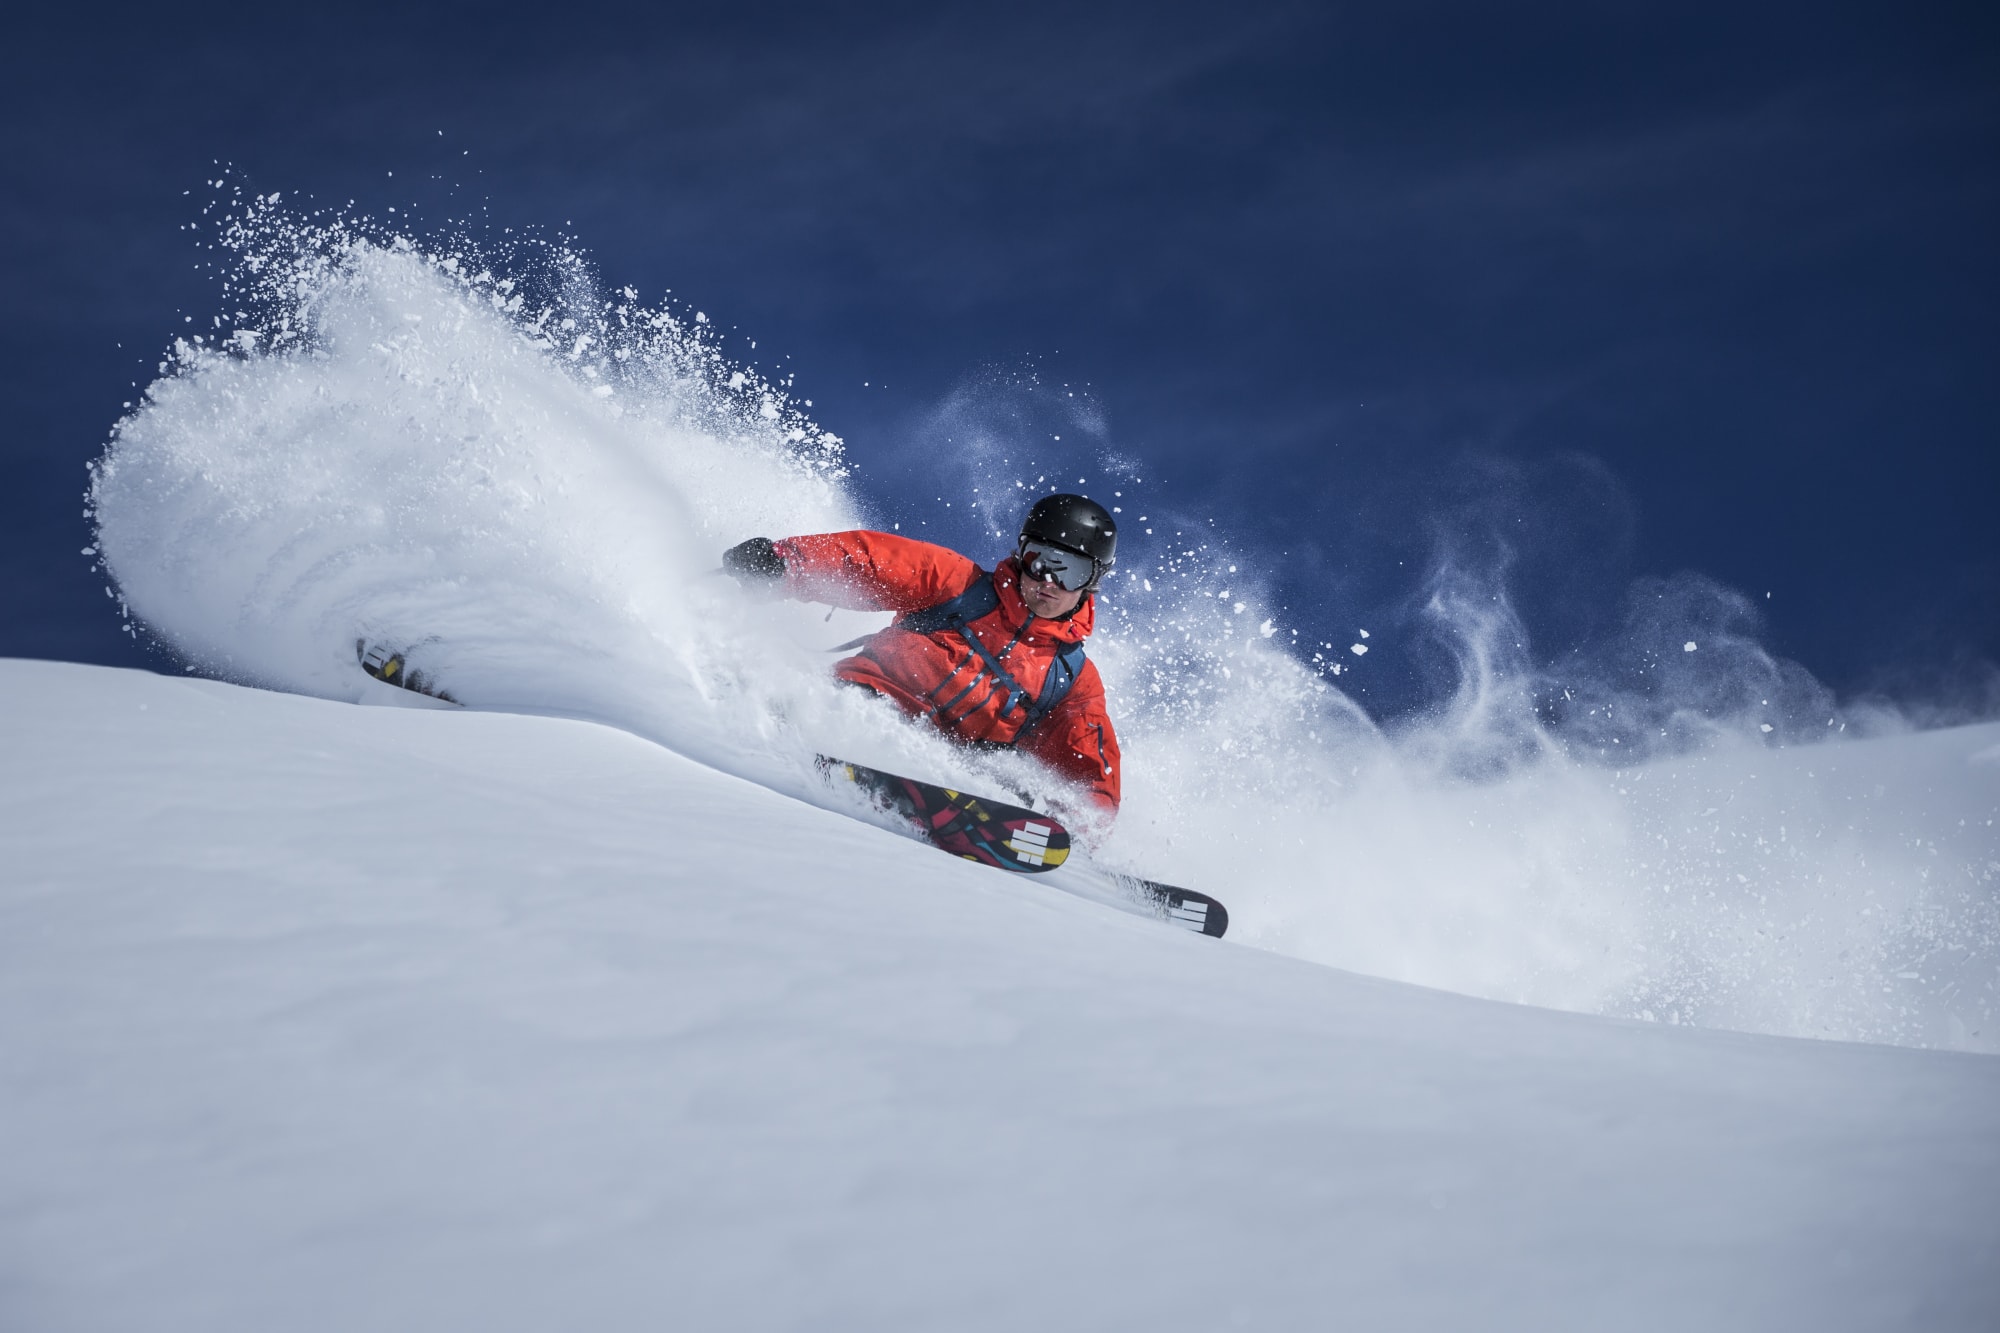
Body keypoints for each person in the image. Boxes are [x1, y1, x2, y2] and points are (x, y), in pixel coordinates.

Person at [723, 494, 1123, 819]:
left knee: (1014, 780)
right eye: (1039, 561)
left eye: (1069, 570)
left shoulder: (1071, 678)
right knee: (862, 707)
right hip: (861, 703)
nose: (1048, 581)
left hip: (952, 776)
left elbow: (1091, 770)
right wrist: (786, 563)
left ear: (1093, 581)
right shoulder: (958, 585)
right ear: (1021, 554)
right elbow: (872, 562)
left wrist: (1080, 828)